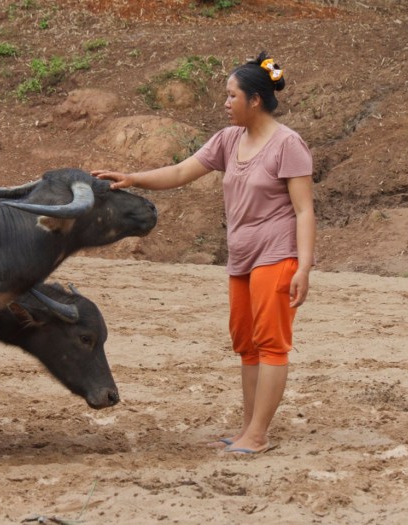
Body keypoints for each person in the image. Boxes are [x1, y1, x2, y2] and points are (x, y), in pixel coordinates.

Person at [92, 51, 315, 455]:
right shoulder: (229, 140)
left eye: (232, 96)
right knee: (246, 344)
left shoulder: (288, 145)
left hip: (277, 256)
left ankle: (258, 436)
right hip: (242, 259)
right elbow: (180, 172)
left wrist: (303, 267)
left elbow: (304, 210)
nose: (226, 104)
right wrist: (131, 178)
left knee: (271, 343)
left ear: (255, 100)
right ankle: (248, 428)